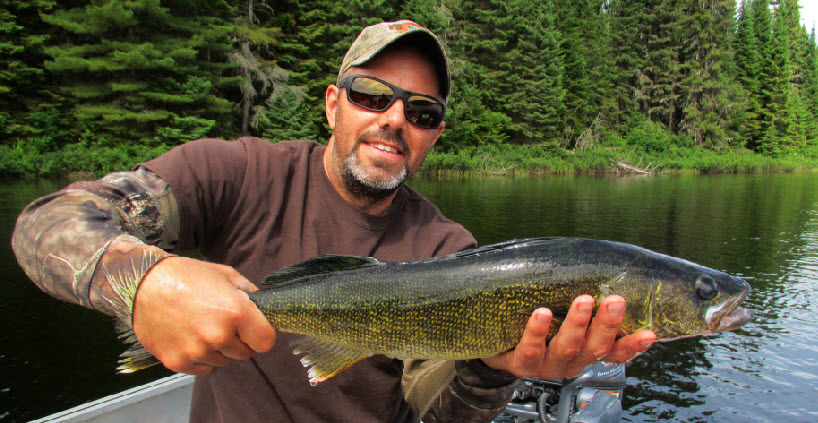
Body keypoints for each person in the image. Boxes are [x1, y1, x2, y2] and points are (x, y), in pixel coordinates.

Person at [12, 20, 656, 422]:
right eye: (373, 94)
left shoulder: (449, 250)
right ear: (332, 103)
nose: (395, 120)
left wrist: (494, 368)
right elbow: (48, 222)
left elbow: (434, 416)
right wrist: (145, 282)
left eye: (423, 112)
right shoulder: (234, 174)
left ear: (434, 134)